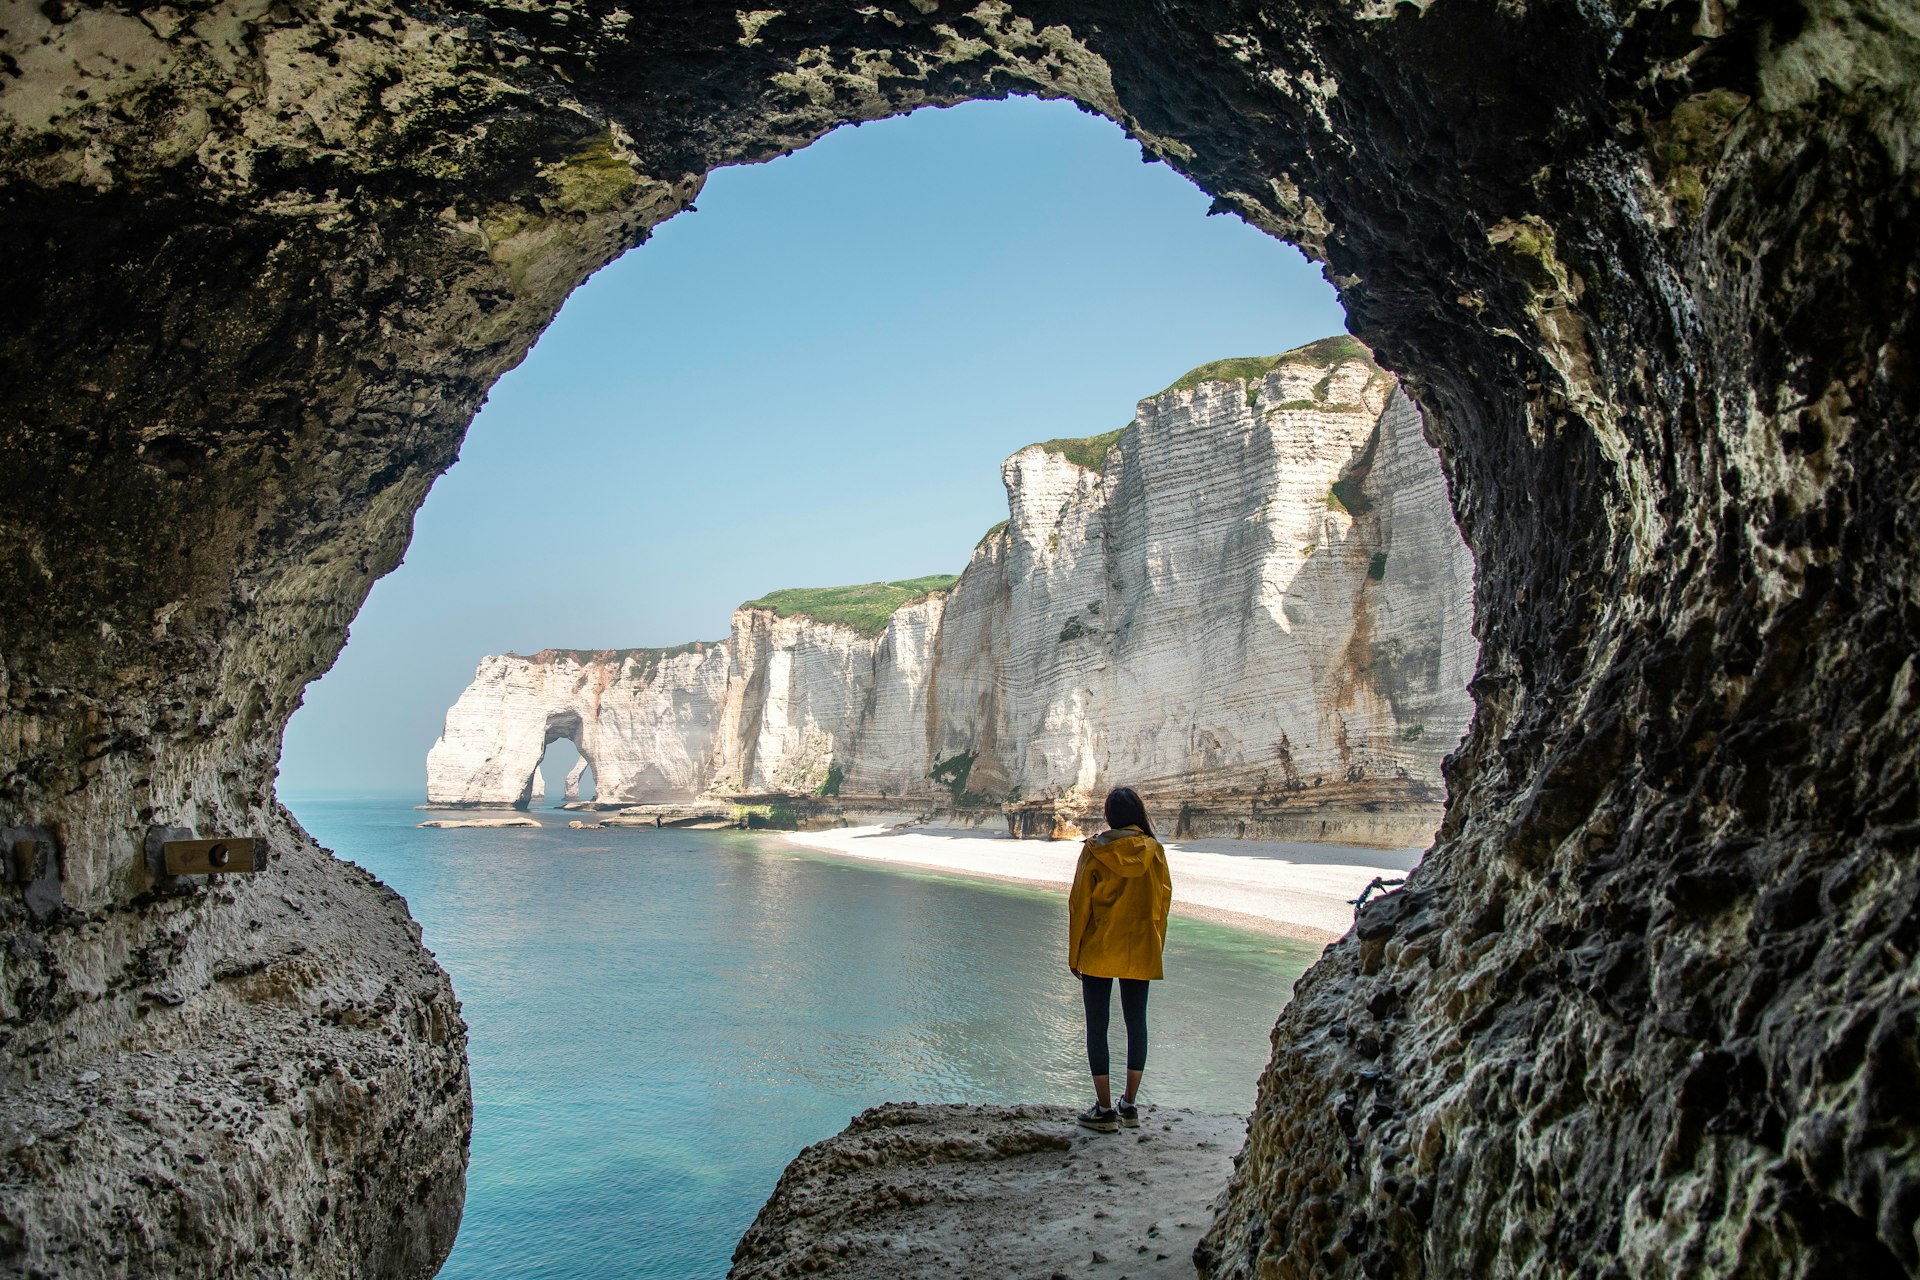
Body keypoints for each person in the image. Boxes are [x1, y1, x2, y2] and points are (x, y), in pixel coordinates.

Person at [1067, 786, 1172, 1133]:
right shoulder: (1154, 851)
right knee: (1135, 1023)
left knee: (1098, 1026)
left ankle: (1104, 1109)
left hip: (1099, 948)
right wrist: (1157, 944)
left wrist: (1074, 954)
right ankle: (1129, 1104)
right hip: (1140, 946)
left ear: (1110, 816)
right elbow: (1162, 903)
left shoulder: (1095, 851)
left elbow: (1079, 904)